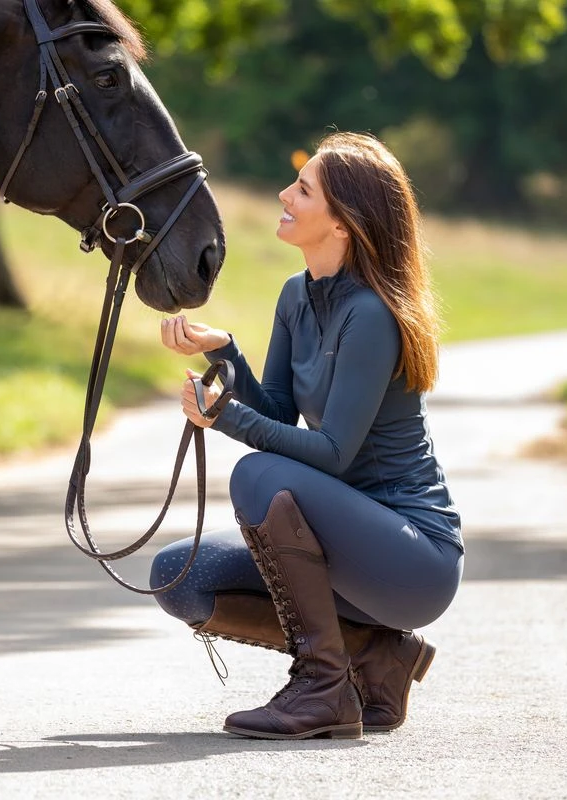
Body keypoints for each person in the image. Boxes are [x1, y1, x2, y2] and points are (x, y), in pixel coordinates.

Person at [150, 131, 463, 740]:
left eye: (303, 189)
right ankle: (377, 655)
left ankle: (322, 686)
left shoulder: (370, 314)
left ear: (343, 222)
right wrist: (226, 354)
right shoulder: (298, 294)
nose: (284, 195)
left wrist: (223, 416)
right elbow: (280, 412)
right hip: (350, 550)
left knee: (257, 475)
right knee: (180, 575)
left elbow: (332, 455)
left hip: (414, 560)